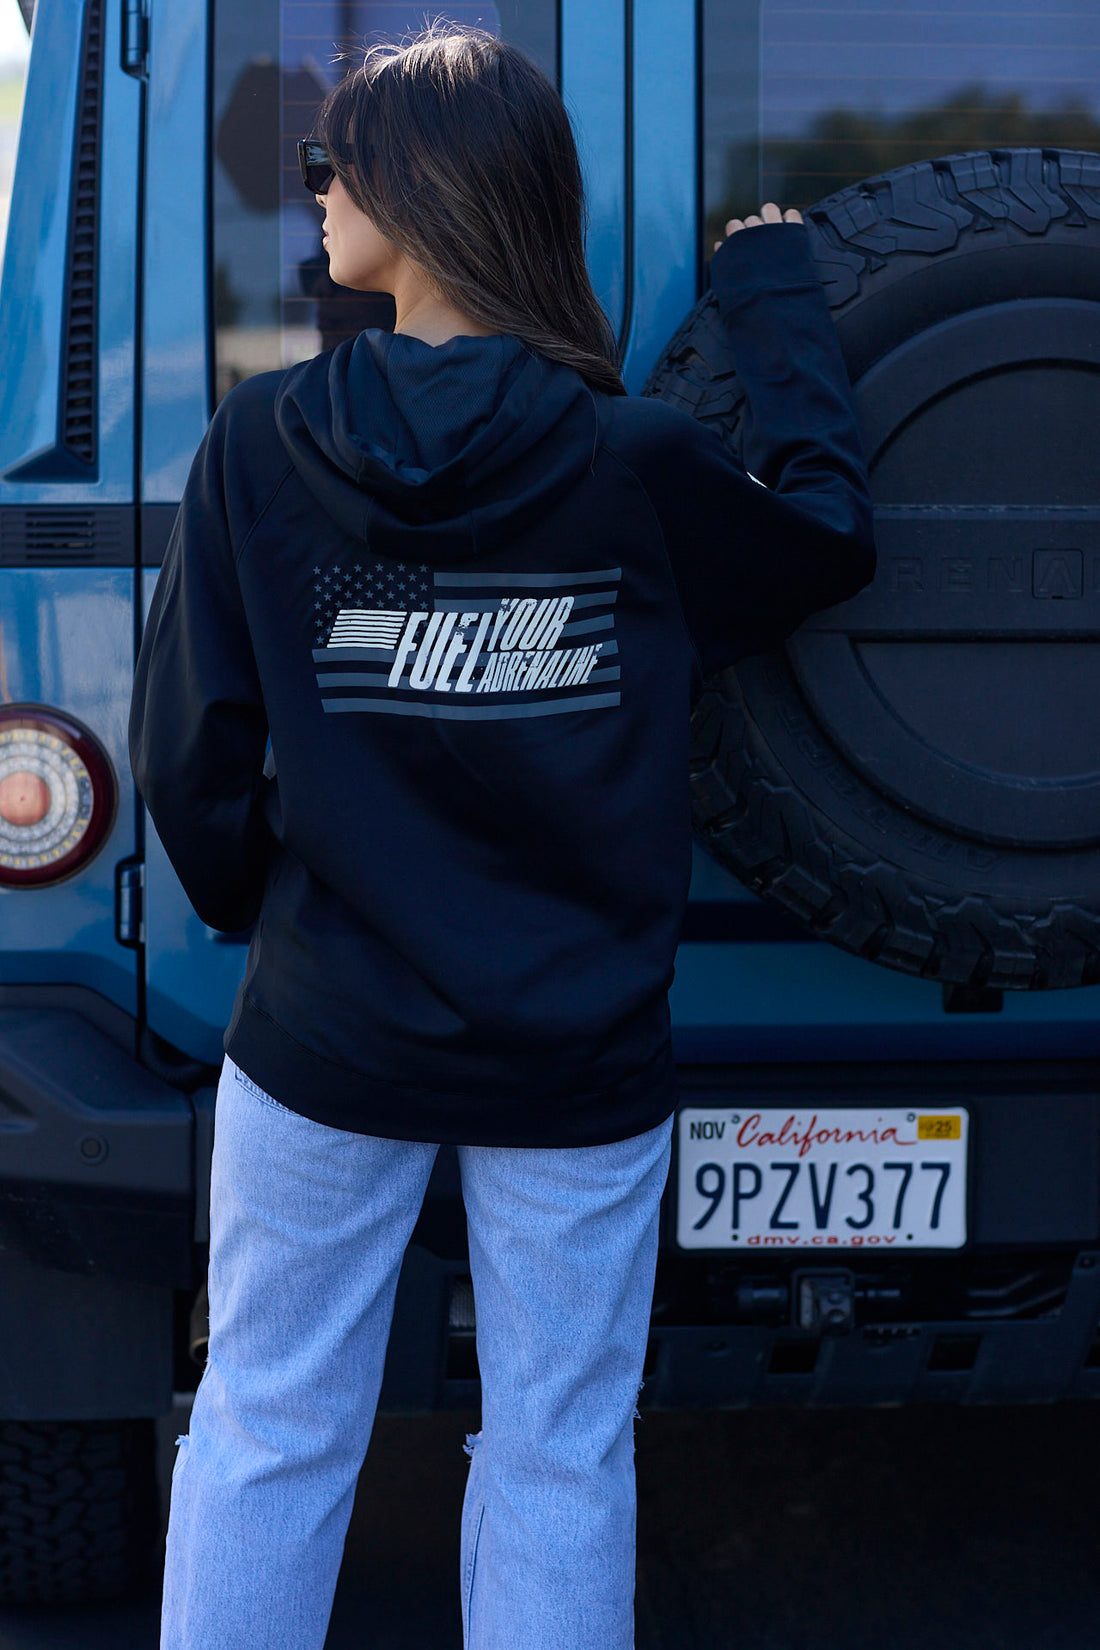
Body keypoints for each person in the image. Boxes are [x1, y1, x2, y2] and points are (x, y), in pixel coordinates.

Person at [129, 20, 876, 1650]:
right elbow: (825, 543)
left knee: (265, 1423)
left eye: (337, 165)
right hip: (577, 1051)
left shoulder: (259, 445)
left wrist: (298, 922)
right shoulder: (640, 466)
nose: (314, 193)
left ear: (427, 193)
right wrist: (774, 309)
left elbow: (193, 748)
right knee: (556, 1448)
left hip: (326, 1037)